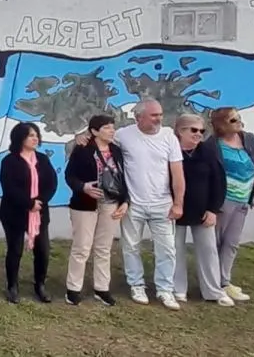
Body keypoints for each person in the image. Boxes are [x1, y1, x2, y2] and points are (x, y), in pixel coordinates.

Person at [115, 98, 185, 309]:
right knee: (131, 246)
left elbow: (177, 172)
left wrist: (178, 203)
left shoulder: (169, 137)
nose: (159, 119)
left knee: (167, 249)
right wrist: (84, 136)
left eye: (160, 114)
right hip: (134, 204)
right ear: (138, 117)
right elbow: (100, 140)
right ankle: (136, 284)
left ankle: (165, 289)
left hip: (162, 204)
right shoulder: (123, 135)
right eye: (154, 115)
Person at [63, 114, 129, 306]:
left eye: (112, 127)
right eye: (107, 127)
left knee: (104, 247)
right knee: (82, 246)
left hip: (110, 204)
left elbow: (123, 178)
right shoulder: (83, 149)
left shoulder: (116, 151)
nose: (111, 131)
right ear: (94, 131)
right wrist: (83, 187)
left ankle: (102, 288)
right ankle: (73, 288)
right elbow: (70, 175)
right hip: (85, 205)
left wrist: (125, 201)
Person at [171, 113, 234, 307]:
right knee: (174, 249)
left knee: (208, 250)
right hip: (175, 211)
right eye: (193, 130)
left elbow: (219, 182)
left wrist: (213, 209)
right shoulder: (170, 150)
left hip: (203, 211)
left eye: (201, 131)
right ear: (180, 131)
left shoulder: (208, 151)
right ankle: (177, 289)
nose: (198, 134)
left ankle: (213, 291)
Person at [207, 106, 254, 303]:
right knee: (215, 242)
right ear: (222, 125)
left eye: (239, 118)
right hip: (222, 200)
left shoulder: (248, 140)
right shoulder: (213, 145)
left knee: (231, 243)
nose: (239, 122)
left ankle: (224, 281)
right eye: (233, 120)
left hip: (243, 199)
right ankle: (212, 283)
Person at [0, 121, 58, 304]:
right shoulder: (9, 160)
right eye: (31, 135)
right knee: (15, 250)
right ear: (20, 138)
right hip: (14, 212)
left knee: (43, 251)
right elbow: (9, 187)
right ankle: (12, 286)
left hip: (39, 212)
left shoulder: (42, 159)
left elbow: (51, 183)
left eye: (36, 135)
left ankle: (40, 285)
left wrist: (40, 201)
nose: (35, 138)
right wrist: (28, 203)